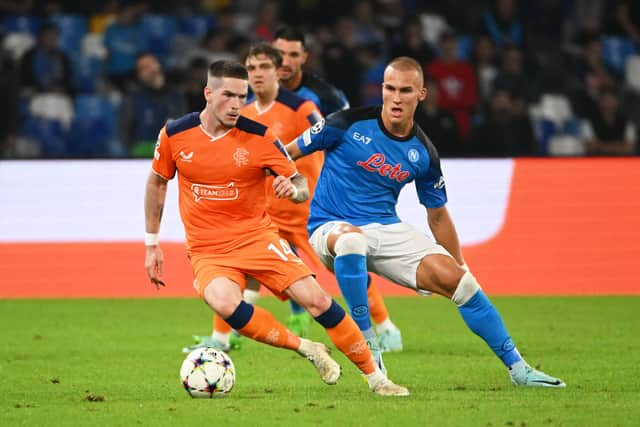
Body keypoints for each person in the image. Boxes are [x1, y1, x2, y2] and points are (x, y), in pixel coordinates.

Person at [284, 56, 566, 388]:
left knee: (463, 284)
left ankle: (520, 369)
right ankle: (367, 344)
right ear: (382, 90)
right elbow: (285, 153)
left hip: (386, 227)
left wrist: (460, 263)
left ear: (421, 94)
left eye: (406, 90)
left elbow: (437, 214)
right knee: (351, 240)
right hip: (329, 226)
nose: (396, 98)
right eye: (390, 89)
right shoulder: (344, 123)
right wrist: (292, 181)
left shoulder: (423, 153)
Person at [143, 59, 408, 397]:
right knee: (224, 303)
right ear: (208, 94)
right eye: (229, 95)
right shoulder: (175, 134)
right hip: (208, 250)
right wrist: (152, 244)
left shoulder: (260, 137)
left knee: (317, 301)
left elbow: (298, 183)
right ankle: (306, 348)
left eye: (243, 96)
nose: (238, 104)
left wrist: (293, 190)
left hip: (257, 238)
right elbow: (157, 183)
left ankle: (377, 379)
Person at [273, 26, 403, 350]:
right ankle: (232, 334)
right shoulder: (255, 97)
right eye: (279, 54)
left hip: (316, 200)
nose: (285, 61)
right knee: (276, 262)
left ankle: (386, 327)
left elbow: (350, 138)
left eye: (292, 54)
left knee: (345, 262)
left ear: (305, 56)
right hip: (274, 198)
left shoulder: (324, 97)